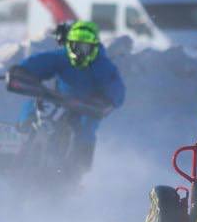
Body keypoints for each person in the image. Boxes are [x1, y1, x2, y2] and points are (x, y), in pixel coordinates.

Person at [8, 20, 125, 179]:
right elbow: (41, 62)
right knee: (34, 105)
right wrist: (23, 71)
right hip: (58, 98)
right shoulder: (62, 57)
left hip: (86, 106)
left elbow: (116, 88)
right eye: (76, 46)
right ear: (69, 45)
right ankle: (17, 141)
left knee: (86, 128)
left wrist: (106, 100)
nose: (80, 52)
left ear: (94, 47)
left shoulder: (102, 65)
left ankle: (76, 171)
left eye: (85, 48)